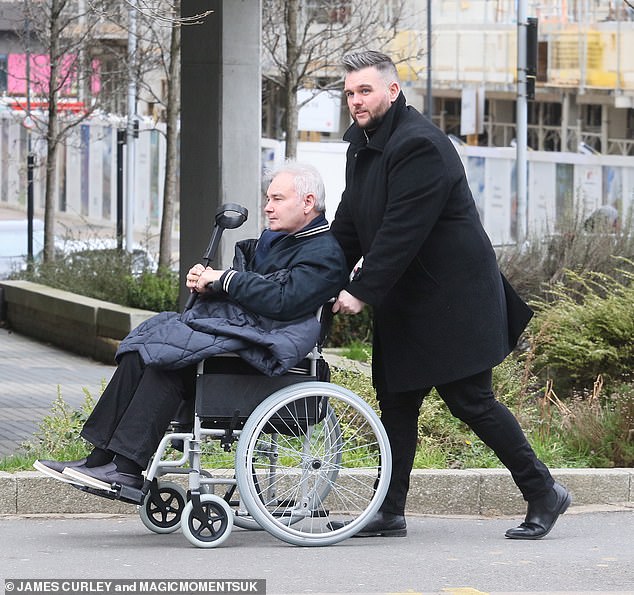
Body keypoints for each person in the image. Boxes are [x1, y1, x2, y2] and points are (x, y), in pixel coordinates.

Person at [329, 50, 571, 540]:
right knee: (396, 400)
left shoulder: (420, 145)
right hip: (408, 296)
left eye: (365, 91)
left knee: (470, 400)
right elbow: (350, 223)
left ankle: (544, 490)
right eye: (350, 92)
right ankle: (389, 509)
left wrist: (360, 290)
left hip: (452, 299)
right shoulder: (364, 145)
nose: (355, 101)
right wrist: (316, 272)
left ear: (392, 91)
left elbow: (402, 230)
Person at [34, 161, 349, 496]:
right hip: (245, 334)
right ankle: (100, 457)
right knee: (140, 348)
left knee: (168, 361)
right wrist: (208, 284)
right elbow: (250, 290)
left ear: (307, 202)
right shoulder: (279, 241)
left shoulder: (323, 252)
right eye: (268, 198)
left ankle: (126, 468)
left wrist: (225, 280)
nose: (268, 207)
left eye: (277, 199)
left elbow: (283, 301)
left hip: (266, 351)